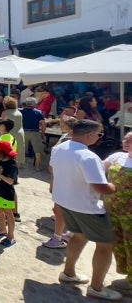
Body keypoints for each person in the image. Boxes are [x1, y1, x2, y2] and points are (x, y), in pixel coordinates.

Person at [50, 120, 121, 301]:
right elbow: (101, 188)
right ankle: (97, 287)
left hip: (65, 201)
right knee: (105, 245)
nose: (99, 138)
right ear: (89, 134)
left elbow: (53, 169)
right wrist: (115, 186)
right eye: (99, 134)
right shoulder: (88, 157)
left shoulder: (60, 147)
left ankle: (69, 272)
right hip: (86, 207)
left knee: (78, 236)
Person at [102, 132, 132, 292]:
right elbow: (98, 168)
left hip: (130, 213)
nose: (126, 142)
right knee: (118, 242)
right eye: (125, 139)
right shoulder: (118, 156)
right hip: (112, 209)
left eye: (131, 140)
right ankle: (127, 275)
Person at [43, 115, 77, 249]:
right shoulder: (66, 137)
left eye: (63, 124)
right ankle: (68, 233)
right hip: (61, 177)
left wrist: (53, 180)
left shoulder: (68, 140)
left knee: (60, 209)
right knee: (60, 209)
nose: (60, 125)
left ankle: (59, 237)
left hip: (64, 178)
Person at [0, 140, 19, 247]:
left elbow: (11, 181)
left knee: (8, 214)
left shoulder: (12, 165)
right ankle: (2, 229)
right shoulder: (2, 161)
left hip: (6, 193)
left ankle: (11, 237)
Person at [20, 97, 47, 171]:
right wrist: (42, 133)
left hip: (23, 131)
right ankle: (37, 167)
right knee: (38, 150)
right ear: (34, 104)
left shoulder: (20, 111)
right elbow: (43, 124)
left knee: (22, 149)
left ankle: (21, 164)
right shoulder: (39, 112)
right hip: (35, 132)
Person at [1, 96, 25, 168]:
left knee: (7, 149)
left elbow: (3, 124)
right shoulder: (19, 112)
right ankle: (19, 164)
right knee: (19, 149)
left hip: (10, 133)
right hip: (20, 132)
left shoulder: (5, 112)